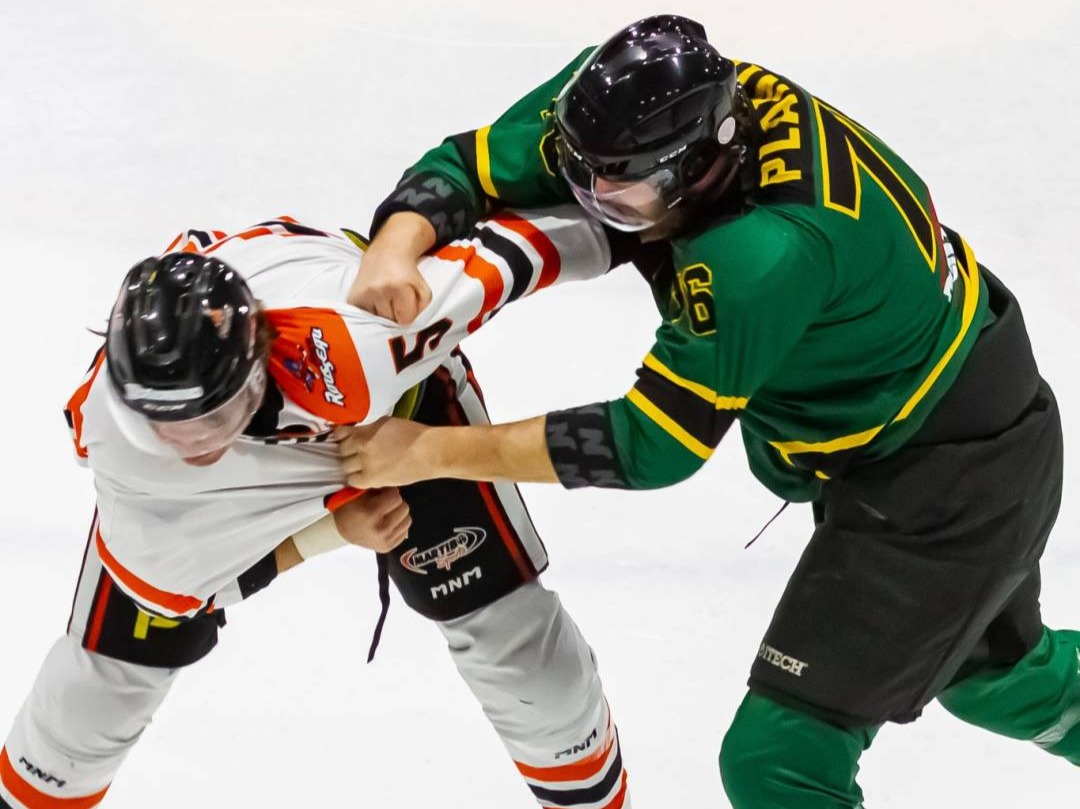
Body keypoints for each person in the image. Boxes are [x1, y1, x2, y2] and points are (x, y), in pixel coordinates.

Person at [339, 14, 1080, 808]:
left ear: (706, 164)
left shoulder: (761, 253)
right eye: (585, 175)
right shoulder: (633, 104)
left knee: (778, 758)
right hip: (964, 398)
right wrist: (393, 242)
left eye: (624, 190)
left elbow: (651, 444)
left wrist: (429, 451)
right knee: (994, 675)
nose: (596, 200)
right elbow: (474, 162)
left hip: (942, 476)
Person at [0, 210, 634, 809]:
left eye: (212, 415)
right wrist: (331, 530)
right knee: (100, 684)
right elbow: (178, 591)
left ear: (256, 369)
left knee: (524, 658)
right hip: (303, 435)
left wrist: (658, 225)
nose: (193, 446)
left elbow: (514, 256)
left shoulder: (360, 341)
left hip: (395, 420)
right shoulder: (117, 439)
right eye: (167, 425)